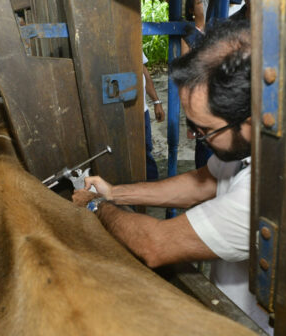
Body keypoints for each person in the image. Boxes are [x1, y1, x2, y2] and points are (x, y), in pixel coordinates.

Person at [74, 20, 273, 334]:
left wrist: (96, 207)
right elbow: (201, 183)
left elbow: (154, 245)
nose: (195, 137)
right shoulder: (249, 145)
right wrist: (113, 193)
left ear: (247, 123)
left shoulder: (263, 192)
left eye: (205, 130)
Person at [142, 52, 165, 181]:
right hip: (118, 112)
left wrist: (156, 101)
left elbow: (143, 71)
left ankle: (151, 189)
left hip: (141, 111)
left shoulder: (132, 40)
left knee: (145, 153)